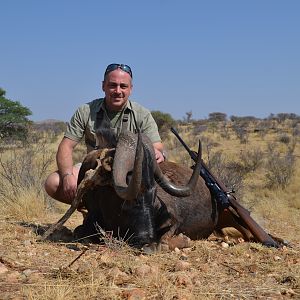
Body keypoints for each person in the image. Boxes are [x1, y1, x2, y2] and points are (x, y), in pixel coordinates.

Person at [44, 63, 165, 205]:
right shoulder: (85, 110)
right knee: (53, 183)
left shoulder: (142, 114)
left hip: (128, 172)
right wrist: (67, 176)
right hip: (94, 170)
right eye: (112, 85)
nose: (118, 91)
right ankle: (91, 210)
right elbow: (66, 146)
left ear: (131, 89)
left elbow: (157, 146)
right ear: (103, 86)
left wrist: (156, 152)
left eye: (123, 86)